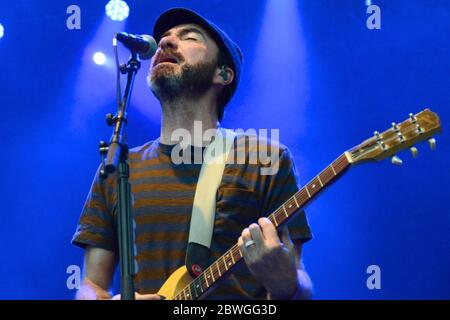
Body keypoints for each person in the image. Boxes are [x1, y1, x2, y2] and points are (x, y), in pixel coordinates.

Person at [72, 7, 313, 300]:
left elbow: (299, 280)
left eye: (189, 37)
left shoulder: (265, 158)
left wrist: (286, 283)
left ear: (223, 74)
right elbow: (90, 286)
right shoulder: (118, 168)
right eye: (164, 38)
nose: (165, 42)